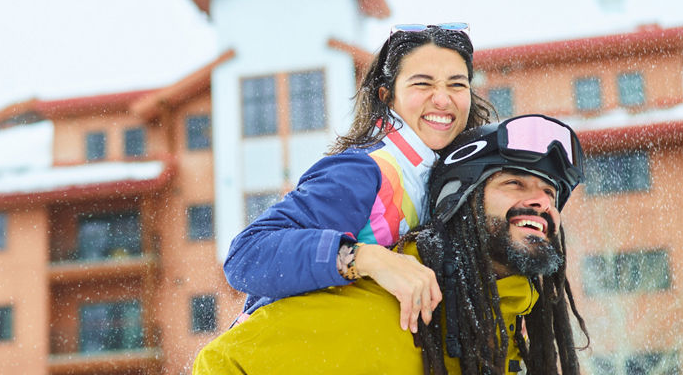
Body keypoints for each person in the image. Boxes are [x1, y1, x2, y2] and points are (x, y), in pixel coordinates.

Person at [194, 114, 590, 375]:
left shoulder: (513, 334)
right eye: (515, 183)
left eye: (550, 194)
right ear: (459, 200)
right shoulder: (377, 310)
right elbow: (224, 361)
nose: (541, 202)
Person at [225, 23, 494, 333]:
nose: (443, 100)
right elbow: (246, 255)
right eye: (423, 84)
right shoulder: (364, 169)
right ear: (387, 96)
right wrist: (366, 258)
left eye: (457, 84)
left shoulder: (447, 178)